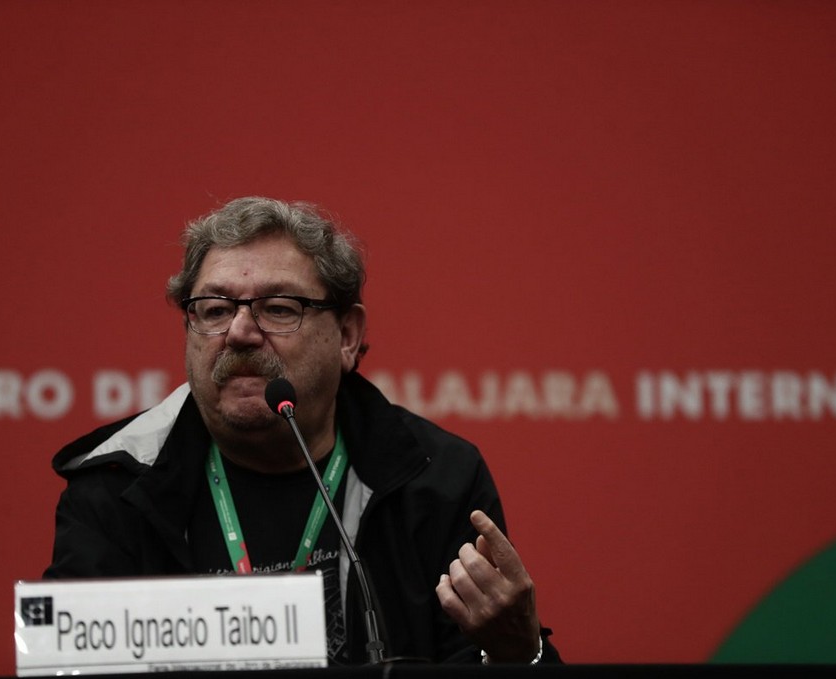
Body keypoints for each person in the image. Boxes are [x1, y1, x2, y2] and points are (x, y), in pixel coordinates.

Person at [44, 196, 561, 665]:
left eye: (278, 309)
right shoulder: (115, 485)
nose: (240, 333)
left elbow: (478, 659)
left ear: (347, 336)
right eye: (215, 309)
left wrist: (519, 653)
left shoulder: (435, 480)